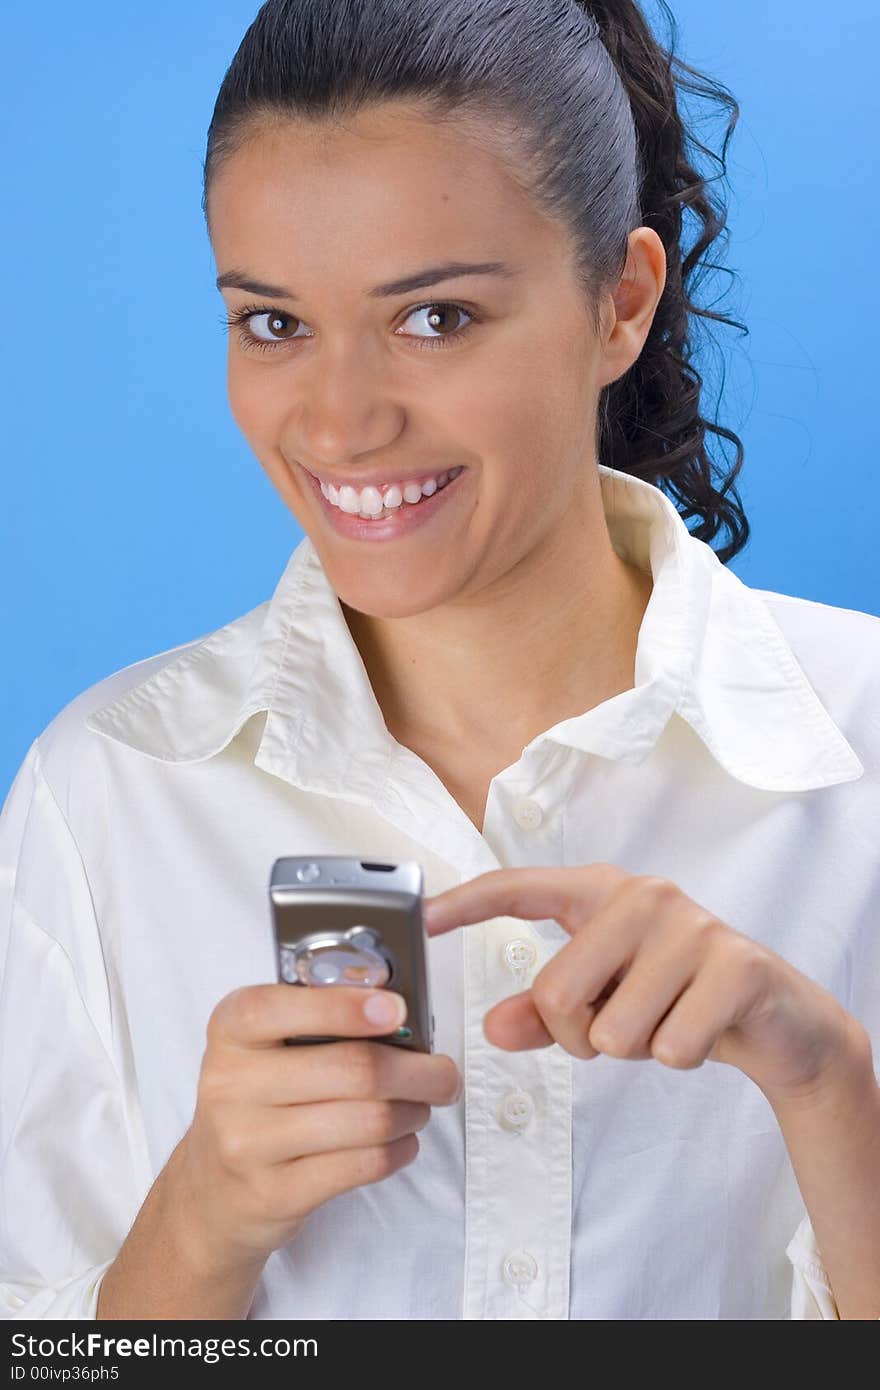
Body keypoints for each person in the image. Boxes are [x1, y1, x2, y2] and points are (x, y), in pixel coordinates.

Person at [1, 0, 879, 1323]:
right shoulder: (105, 792)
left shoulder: (863, 755)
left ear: (621, 303)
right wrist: (198, 1228)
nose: (340, 421)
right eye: (275, 324)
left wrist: (827, 1085)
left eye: (437, 319)